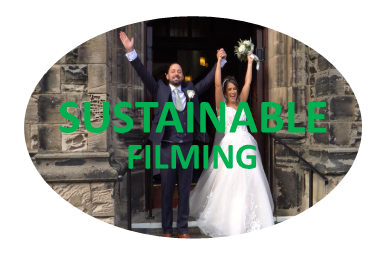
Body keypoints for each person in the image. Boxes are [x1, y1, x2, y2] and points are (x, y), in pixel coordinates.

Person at [119, 31, 227, 238]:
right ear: (167, 76)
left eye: (179, 71)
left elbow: (208, 82)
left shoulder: (191, 89)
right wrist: (131, 52)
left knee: (184, 191)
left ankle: (183, 229)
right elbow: (142, 73)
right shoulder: (158, 87)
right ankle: (167, 230)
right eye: (173, 71)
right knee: (167, 190)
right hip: (167, 147)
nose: (176, 73)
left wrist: (219, 63)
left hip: (187, 146)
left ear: (182, 75)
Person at [189, 51, 275, 237]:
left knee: (251, 183)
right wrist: (218, 61)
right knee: (229, 184)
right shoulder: (221, 106)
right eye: (229, 89)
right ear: (225, 92)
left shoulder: (242, 103)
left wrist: (250, 63)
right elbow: (217, 83)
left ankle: (250, 219)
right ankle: (228, 220)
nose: (233, 91)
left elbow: (248, 83)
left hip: (247, 146)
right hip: (229, 147)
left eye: (234, 88)